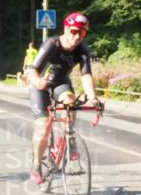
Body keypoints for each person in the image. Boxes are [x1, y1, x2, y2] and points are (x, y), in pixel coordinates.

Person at [24, 12, 102, 185]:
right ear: (66, 29)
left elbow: (86, 75)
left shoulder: (82, 50)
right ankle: (37, 165)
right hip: (40, 85)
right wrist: (38, 82)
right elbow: (33, 70)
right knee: (43, 125)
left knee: (70, 104)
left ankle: (68, 139)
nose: (77, 36)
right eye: (74, 31)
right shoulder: (52, 44)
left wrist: (93, 98)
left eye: (82, 33)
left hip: (60, 82)